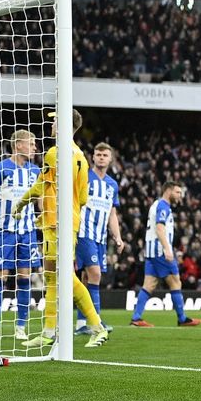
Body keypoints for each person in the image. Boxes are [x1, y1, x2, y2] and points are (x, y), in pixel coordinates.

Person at [13, 109, 109, 348]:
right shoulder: (81, 157)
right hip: (70, 221)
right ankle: (48, 331)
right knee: (52, 276)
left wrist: (21, 203)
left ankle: (97, 327)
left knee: (64, 276)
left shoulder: (55, 153)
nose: (52, 125)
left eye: (55, 121)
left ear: (66, 124)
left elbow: (39, 186)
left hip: (54, 222)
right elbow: (84, 198)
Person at [0, 130, 41, 341]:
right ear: (18, 145)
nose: (35, 147)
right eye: (31, 143)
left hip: (28, 233)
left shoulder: (36, 171)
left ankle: (21, 327)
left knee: (25, 278)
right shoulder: (0, 169)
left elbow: (40, 204)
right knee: (0, 277)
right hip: (3, 231)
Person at [130, 181, 201, 327]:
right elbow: (160, 228)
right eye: (178, 192)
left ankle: (136, 318)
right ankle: (182, 319)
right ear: (168, 191)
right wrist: (167, 249)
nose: (180, 195)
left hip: (151, 252)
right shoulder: (163, 206)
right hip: (159, 251)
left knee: (149, 284)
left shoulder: (156, 205)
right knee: (175, 281)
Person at [74, 142, 124, 335]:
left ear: (110, 159)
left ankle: (81, 324)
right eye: (98, 154)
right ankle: (96, 322)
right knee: (95, 274)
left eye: (105, 155)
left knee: (87, 278)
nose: (101, 157)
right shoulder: (84, 177)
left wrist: (117, 237)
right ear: (92, 157)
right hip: (83, 233)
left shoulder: (112, 185)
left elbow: (112, 214)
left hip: (100, 237)